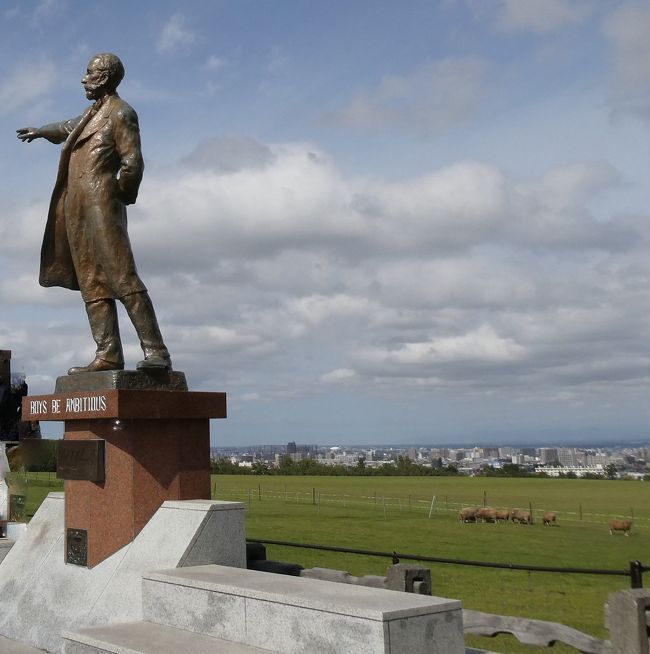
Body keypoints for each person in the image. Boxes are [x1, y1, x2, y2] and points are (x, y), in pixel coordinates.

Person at [17, 53, 171, 374]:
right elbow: (65, 127)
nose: (83, 78)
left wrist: (120, 196)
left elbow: (132, 161)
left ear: (103, 77)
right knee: (92, 283)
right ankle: (108, 353)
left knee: (122, 276)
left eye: (89, 73)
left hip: (103, 206)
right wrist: (41, 131)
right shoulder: (91, 113)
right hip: (76, 209)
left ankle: (156, 351)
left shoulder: (121, 113)